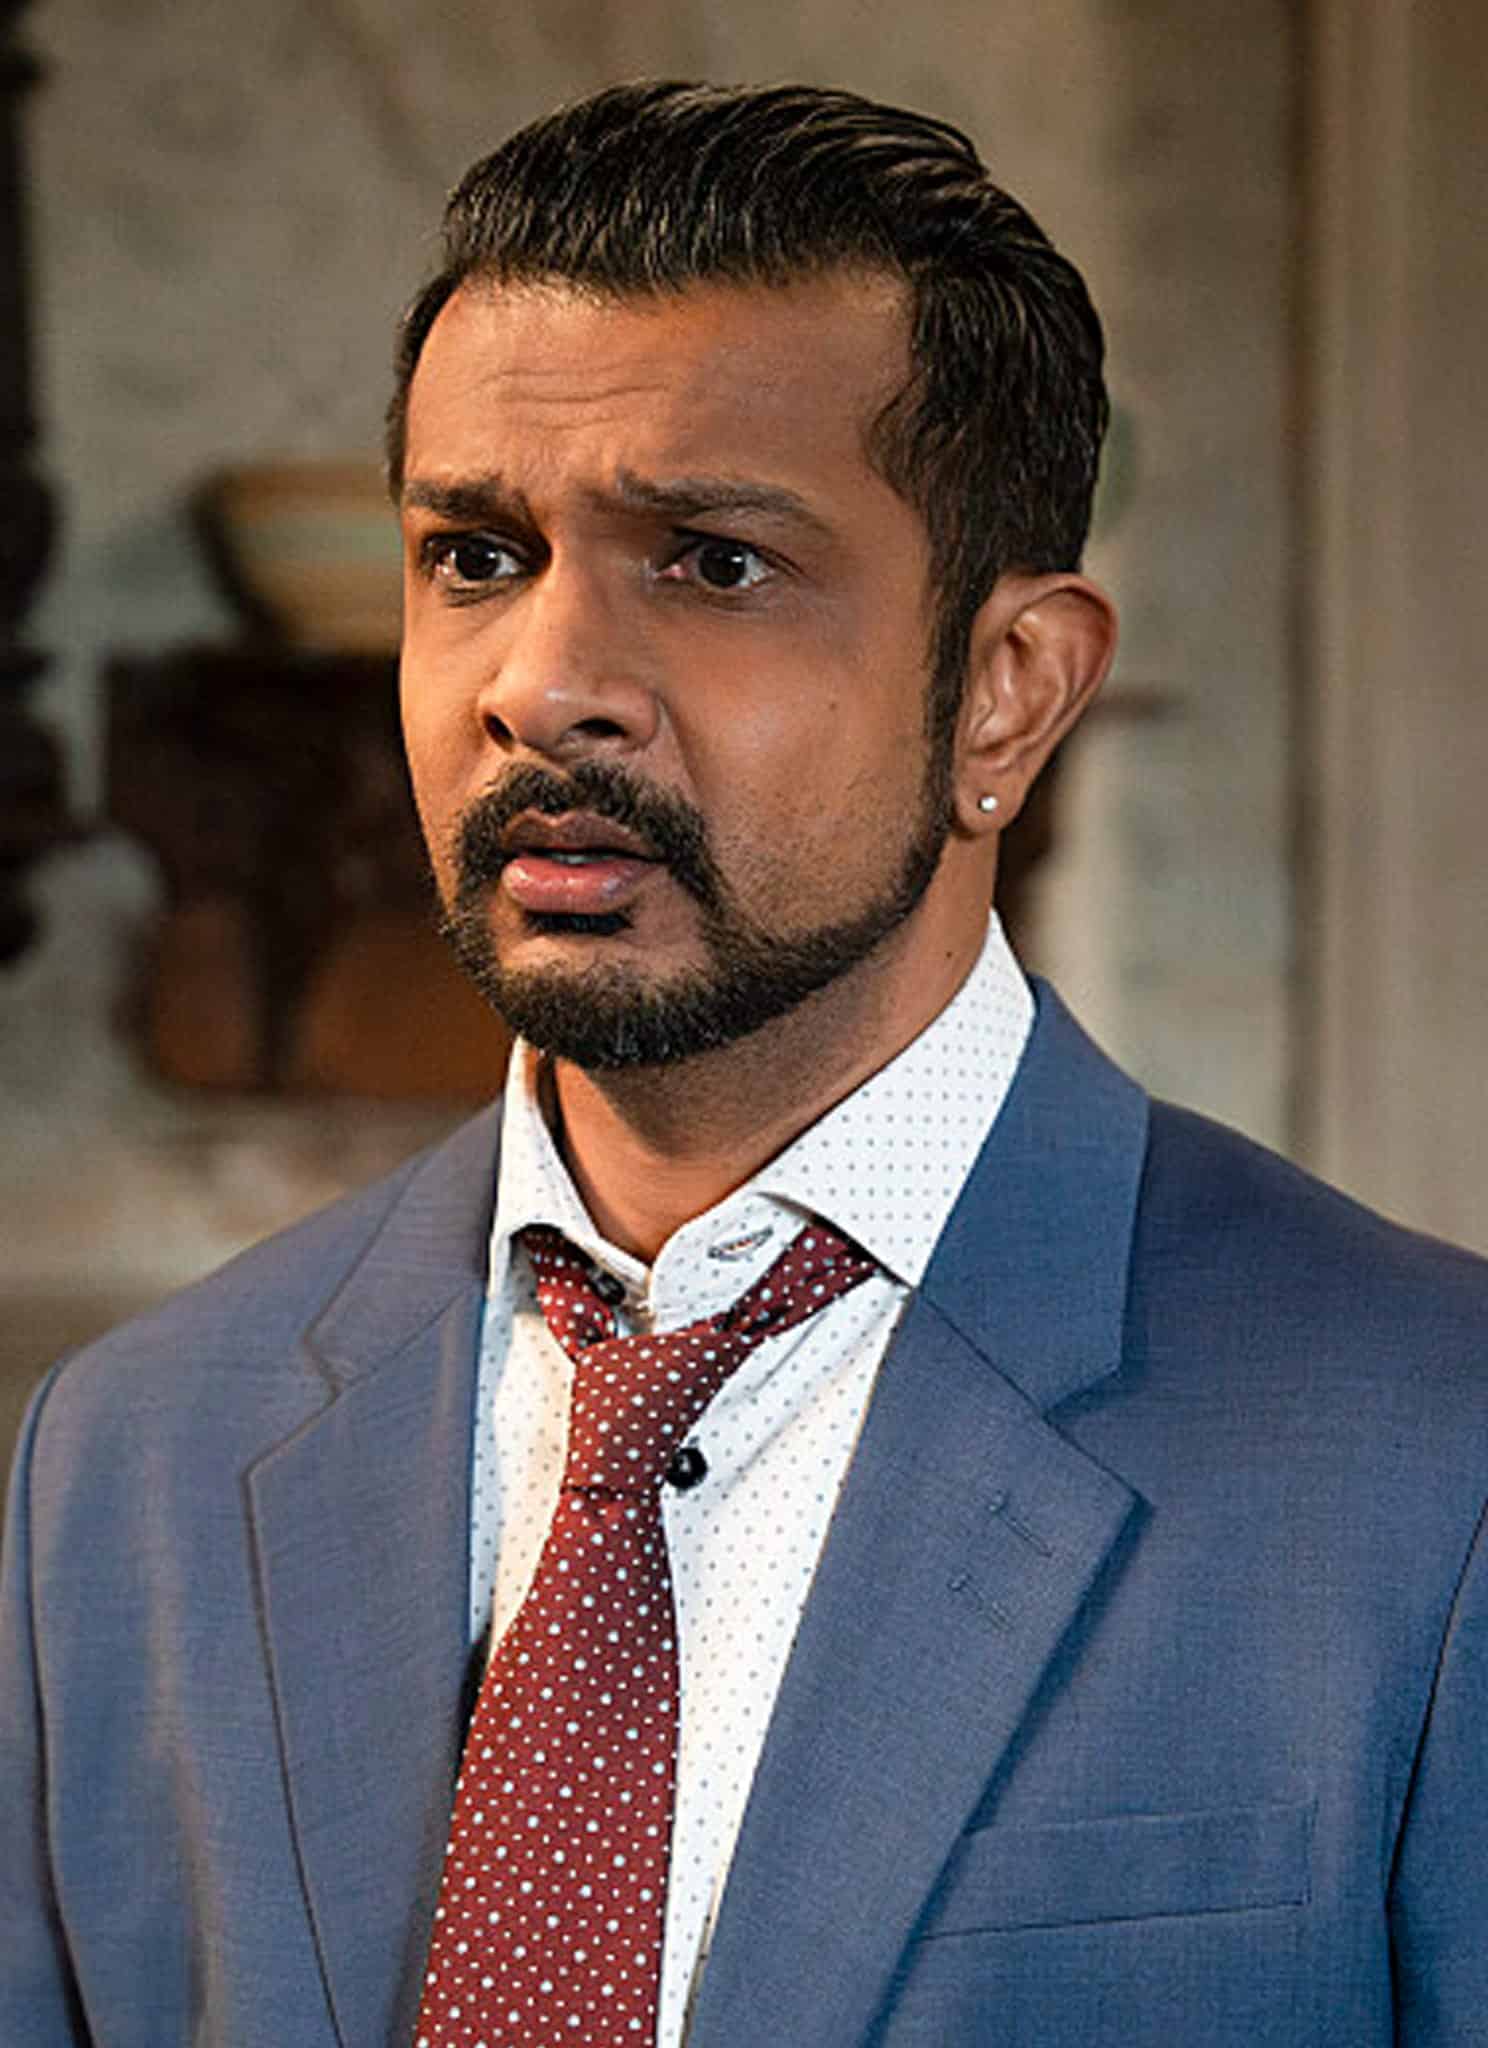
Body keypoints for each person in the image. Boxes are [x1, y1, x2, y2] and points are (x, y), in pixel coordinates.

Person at [4, 79, 1487, 2048]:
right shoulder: (124, 1463)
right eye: (472, 555)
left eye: (709, 561)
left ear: (1008, 688)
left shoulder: (1432, 1462)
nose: (541, 680)